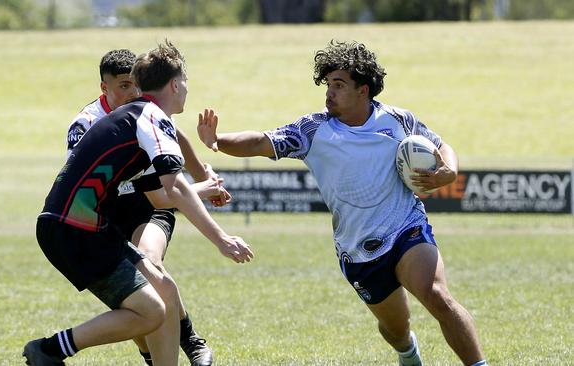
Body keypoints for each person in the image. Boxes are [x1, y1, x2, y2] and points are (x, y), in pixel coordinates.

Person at [197, 40, 488, 366]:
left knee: (437, 296)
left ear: (363, 90)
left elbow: (440, 145)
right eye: (327, 85)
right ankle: (409, 354)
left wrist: (449, 171)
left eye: (338, 85)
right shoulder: (312, 130)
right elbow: (262, 141)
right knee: (396, 329)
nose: (329, 93)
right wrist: (217, 142)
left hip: (405, 227)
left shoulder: (397, 120)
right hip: (358, 250)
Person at [23, 41, 254, 366]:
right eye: (185, 83)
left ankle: (53, 350)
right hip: (72, 228)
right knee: (151, 310)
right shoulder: (151, 119)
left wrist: (202, 182)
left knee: (165, 292)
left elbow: (159, 195)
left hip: (82, 226)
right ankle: (50, 350)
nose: (186, 90)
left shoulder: (138, 117)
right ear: (175, 84)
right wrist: (222, 239)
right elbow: (174, 188)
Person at [65, 48, 225, 366]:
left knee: (150, 264)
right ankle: (152, 356)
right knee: (136, 301)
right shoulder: (86, 125)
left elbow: (176, 137)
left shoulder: (147, 113)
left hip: (151, 205)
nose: (132, 93)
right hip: (109, 215)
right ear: (104, 89)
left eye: (135, 84)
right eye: (123, 86)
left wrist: (203, 176)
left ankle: (191, 341)